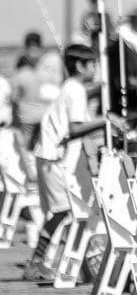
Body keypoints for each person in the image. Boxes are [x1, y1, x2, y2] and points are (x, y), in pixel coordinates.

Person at [22, 45, 123, 280]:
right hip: (54, 158)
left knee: (62, 212)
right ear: (80, 66)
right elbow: (76, 128)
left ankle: (57, 262)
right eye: (92, 65)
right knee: (66, 211)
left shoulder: (71, 87)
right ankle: (42, 262)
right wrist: (105, 121)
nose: (96, 69)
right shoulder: (75, 89)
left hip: (48, 157)